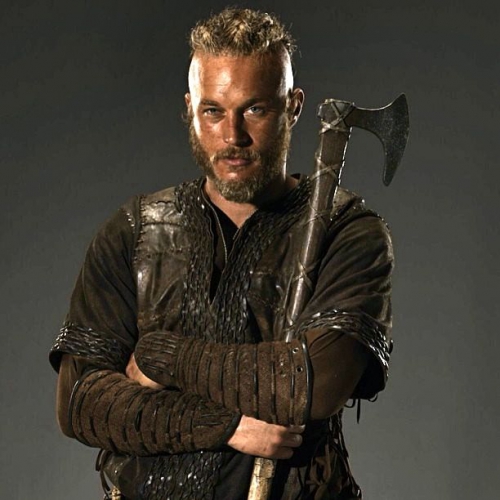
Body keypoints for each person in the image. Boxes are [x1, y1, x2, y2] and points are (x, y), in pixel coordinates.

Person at [50, 8, 393, 500]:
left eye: (255, 109)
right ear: (189, 108)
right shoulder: (134, 231)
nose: (233, 137)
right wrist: (228, 426)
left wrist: (162, 356)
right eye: (213, 111)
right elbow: (79, 401)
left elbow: (315, 384)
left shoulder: (349, 233)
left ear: (293, 106)